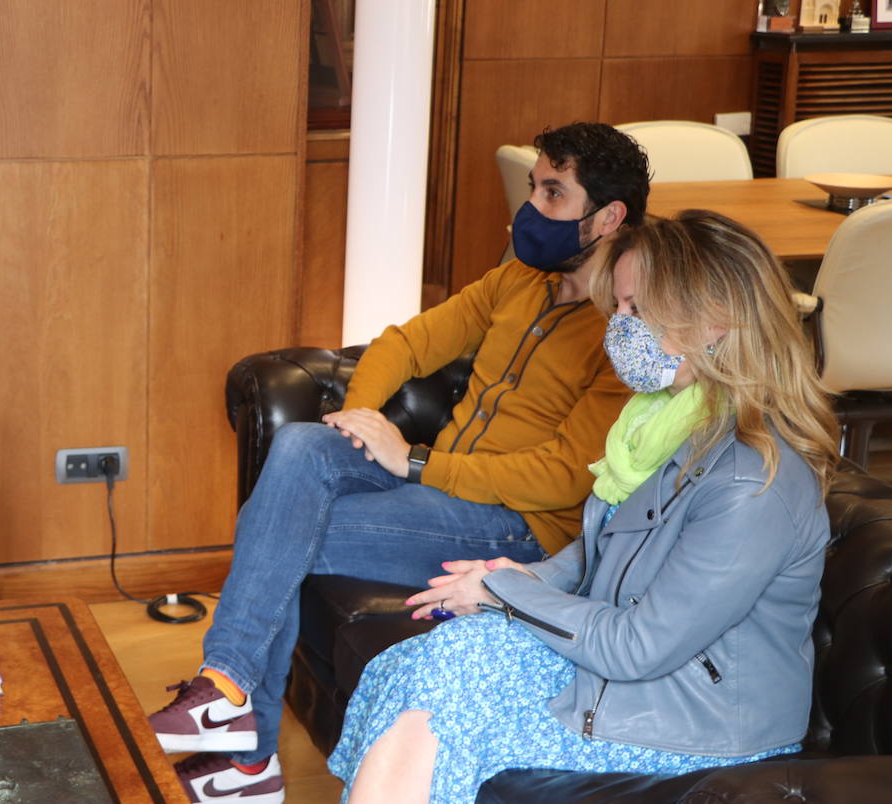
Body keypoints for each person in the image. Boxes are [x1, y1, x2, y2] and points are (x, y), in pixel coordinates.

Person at [151, 123, 652, 802]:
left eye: (553, 193)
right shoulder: (520, 278)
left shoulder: (623, 331)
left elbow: (564, 474)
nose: (530, 207)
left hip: (518, 525)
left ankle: (244, 749)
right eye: (535, 186)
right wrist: (359, 418)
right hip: (441, 485)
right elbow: (405, 344)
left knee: (282, 531)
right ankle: (229, 691)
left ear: (610, 217)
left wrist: (414, 463)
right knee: (300, 447)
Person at [329, 210, 839, 803]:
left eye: (635, 309)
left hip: (704, 724)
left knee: (443, 691)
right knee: (432, 665)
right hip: (641, 683)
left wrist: (506, 595)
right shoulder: (663, 422)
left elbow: (638, 646)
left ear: (713, 322)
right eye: (616, 308)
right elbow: (602, 551)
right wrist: (514, 575)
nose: (616, 326)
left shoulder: (752, 482)